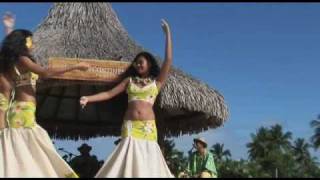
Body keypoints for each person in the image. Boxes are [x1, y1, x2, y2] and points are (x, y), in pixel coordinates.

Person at [80, 19, 174, 178]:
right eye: (136, 63)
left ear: (149, 64)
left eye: (141, 62)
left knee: (147, 163)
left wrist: (168, 35)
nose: (138, 64)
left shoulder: (156, 83)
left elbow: (168, 60)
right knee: (129, 163)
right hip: (130, 126)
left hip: (148, 128)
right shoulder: (128, 81)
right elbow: (109, 94)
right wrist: (89, 98)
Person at [0, 13, 90, 177]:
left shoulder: (14, 60)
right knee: (38, 149)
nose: (32, 43)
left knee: (26, 151)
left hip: (19, 111)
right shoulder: (22, 59)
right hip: (23, 111)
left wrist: (8, 28)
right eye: (30, 40)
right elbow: (45, 73)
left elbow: (10, 47)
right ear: (23, 42)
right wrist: (75, 66)